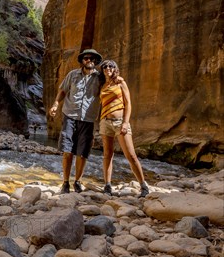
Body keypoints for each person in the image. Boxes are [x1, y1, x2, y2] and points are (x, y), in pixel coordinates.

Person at [49, 48, 103, 194]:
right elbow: (63, 91)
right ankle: (65, 183)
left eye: (92, 58)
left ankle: (77, 181)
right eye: (86, 58)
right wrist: (55, 104)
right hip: (69, 116)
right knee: (67, 151)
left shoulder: (100, 78)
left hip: (88, 119)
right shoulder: (72, 75)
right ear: (82, 61)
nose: (89, 60)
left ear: (96, 61)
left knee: (82, 153)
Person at [99, 59, 149, 197]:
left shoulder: (121, 82)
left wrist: (126, 123)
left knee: (131, 155)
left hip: (120, 122)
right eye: (105, 66)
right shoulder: (103, 85)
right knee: (107, 155)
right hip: (105, 122)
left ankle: (143, 186)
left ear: (115, 69)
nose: (107, 68)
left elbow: (128, 104)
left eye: (111, 66)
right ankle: (107, 185)